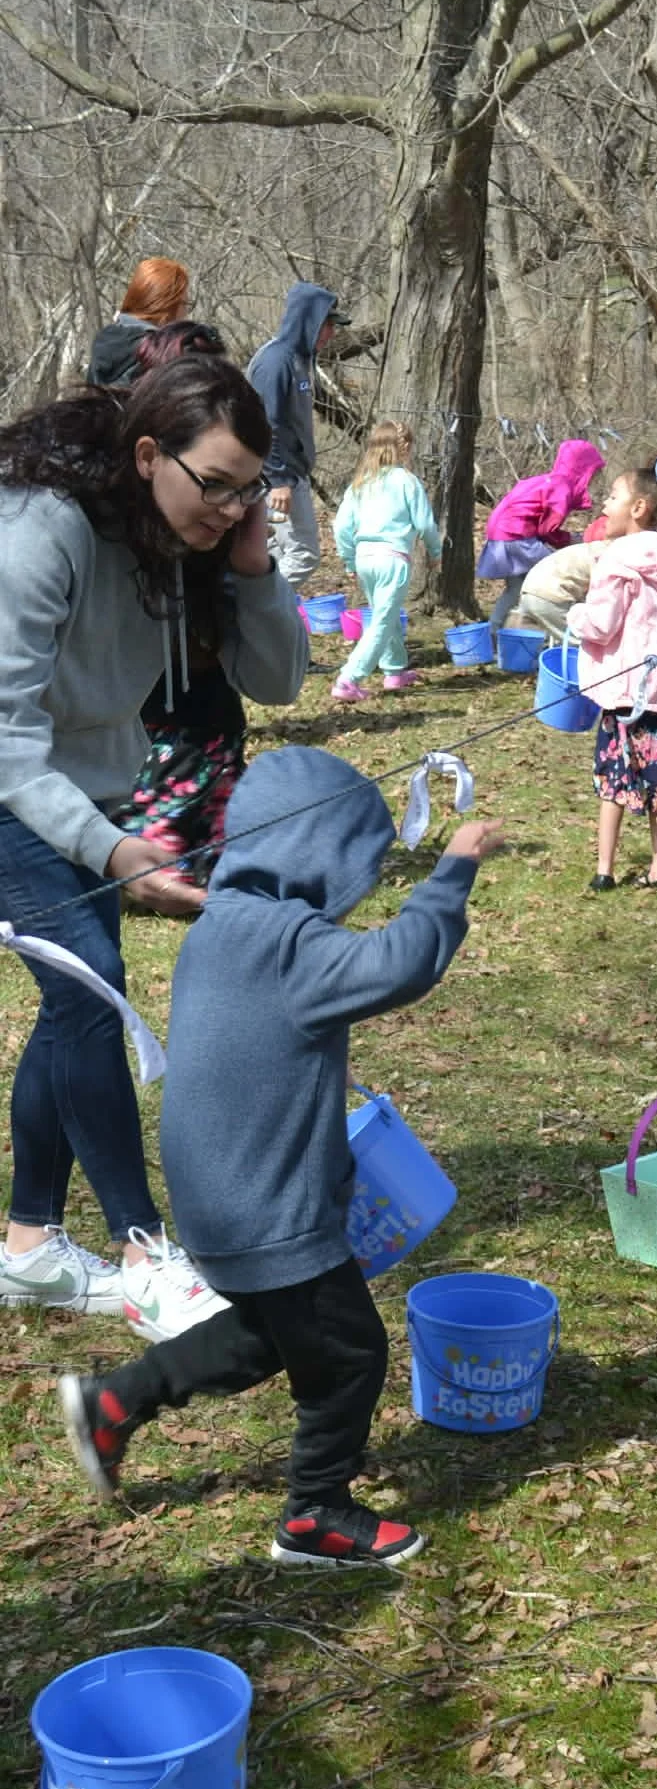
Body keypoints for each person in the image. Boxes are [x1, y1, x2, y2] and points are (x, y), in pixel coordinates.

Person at [58, 746, 504, 1568]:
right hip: (268, 1206)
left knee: (270, 1333)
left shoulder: (223, 925)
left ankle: (114, 1403)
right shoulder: (290, 942)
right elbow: (401, 962)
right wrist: (452, 869)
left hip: (215, 1196)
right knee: (346, 1355)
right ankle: (315, 1517)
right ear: (326, 855)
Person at [0, 355, 309, 1338]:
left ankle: (29, 1245)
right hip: (11, 778)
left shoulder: (189, 538)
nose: (224, 505)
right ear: (147, 454)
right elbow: (6, 739)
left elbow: (280, 680)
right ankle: (143, 1252)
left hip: (85, 783)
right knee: (92, 987)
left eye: (243, 487)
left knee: (74, 1002)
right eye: (210, 482)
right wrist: (119, 852)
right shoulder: (43, 528)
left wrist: (254, 561)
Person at [111, 322, 252, 889]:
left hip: (207, 698)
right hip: (140, 709)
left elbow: (275, 673)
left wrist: (252, 562)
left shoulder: (231, 488)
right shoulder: (115, 492)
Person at [571, 459, 657, 892]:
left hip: (625, 695)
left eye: (611, 498)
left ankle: (604, 869)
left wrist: (574, 615)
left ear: (639, 507)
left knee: (613, 782)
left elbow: (600, 625)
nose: (603, 506)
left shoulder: (617, 560)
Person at [245, 282, 350, 590]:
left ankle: (260, 610)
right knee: (303, 554)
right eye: (327, 324)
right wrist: (278, 478)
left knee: (274, 552)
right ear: (309, 321)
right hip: (278, 480)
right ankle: (260, 608)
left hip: (292, 476)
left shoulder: (301, 360)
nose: (331, 333)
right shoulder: (275, 362)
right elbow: (267, 423)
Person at [331, 420, 442, 703]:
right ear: (404, 448)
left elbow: (341, 526)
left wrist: (349, 561)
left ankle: (394, 671)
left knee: (386, 615)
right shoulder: (407, 481)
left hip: (365, 559)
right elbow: (425, 524)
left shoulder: (360, 484)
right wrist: (435, 552)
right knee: (382, 620)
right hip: (393, 560)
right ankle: (349, 678)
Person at [477, 439, 603, 630]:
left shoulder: (545, 481)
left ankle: (496, 631)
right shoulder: (562, 488)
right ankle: (570, 628)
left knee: (516, 588)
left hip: (501, 535)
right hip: (518, 536)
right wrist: (570, 540)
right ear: (583, 469)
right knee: (558, 574)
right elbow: (548, 529)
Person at [86, 258, 192, 388]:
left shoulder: (107, 342)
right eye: (184, 304)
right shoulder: (157, 355)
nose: (186, 314)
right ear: (166, 306)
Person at [516, 537, 605, 643]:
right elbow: (600, 594)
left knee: (531, 644)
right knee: (583, 641)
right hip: (550, 597)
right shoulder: (605, 557)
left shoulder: (584, 549)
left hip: (528, 592)